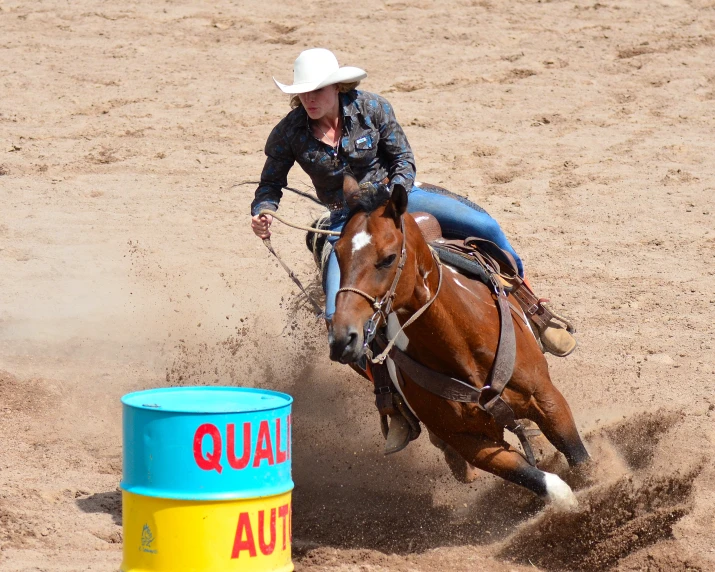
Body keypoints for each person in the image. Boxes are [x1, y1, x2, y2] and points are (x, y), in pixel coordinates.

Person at [250, 48, 576, 448]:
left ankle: (535, 313)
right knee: (340, 321)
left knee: (485, 227)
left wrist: (395, 194)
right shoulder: (289, 133)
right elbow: (270, 183)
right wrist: (263, 210)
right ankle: (392, 402)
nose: (309, 99)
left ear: (337, 86)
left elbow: (402, 157)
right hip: (344, 219)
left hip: (399, 199)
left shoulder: (371, 107)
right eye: (303, 93)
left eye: (316, 90)